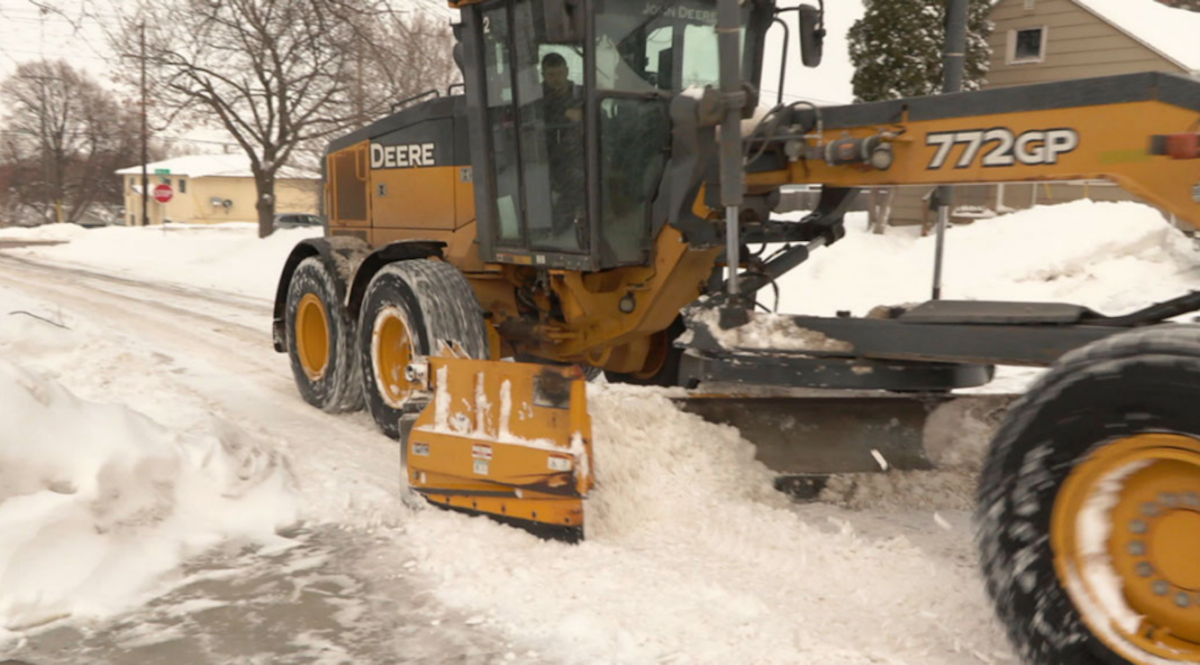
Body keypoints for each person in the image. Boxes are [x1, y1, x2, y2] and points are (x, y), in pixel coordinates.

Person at [539, 52, 585, 241]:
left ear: (566, 71)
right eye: (551, 75)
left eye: (559, 74)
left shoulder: (582, 94)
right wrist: (565, 113)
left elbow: (597, 115)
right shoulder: (537, 98)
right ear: (543, 75)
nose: (556, 79)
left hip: (580, 154)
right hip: (547, 157)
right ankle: (554, 232)